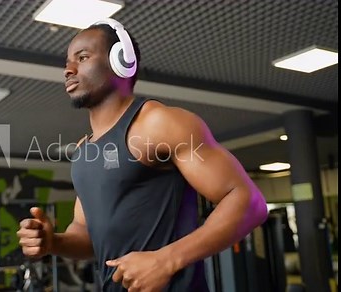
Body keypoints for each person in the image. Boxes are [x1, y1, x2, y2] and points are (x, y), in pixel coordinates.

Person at [17, 18, 268, 291]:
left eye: (83, 57)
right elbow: (88, 234)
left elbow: (249, 202)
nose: (68, 69)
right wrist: (54, 242)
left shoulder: (159, 123)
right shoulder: (83, 151)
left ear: (121, 61)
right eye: (67, 61)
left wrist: (166, 260)